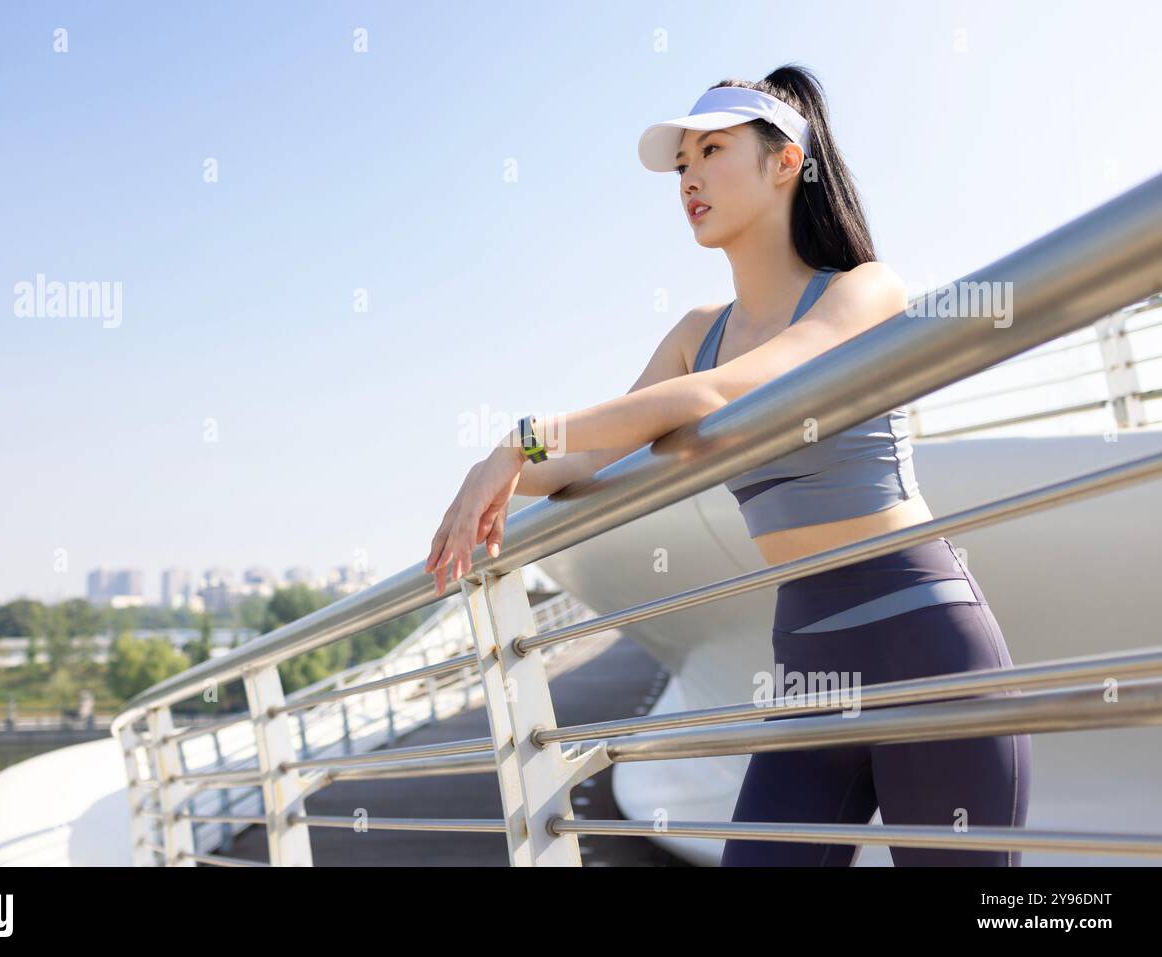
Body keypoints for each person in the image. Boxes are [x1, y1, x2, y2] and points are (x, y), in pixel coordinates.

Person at [422, 63, 1031, 866]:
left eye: (711, 151)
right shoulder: (693, 333)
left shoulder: (865, 291)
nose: (690, 178)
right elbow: (590, 455)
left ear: (787, 162)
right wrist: (500, 463)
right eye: (682, 164)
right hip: (810, 663)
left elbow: (732, 392)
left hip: (925, 639)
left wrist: (521, 438)